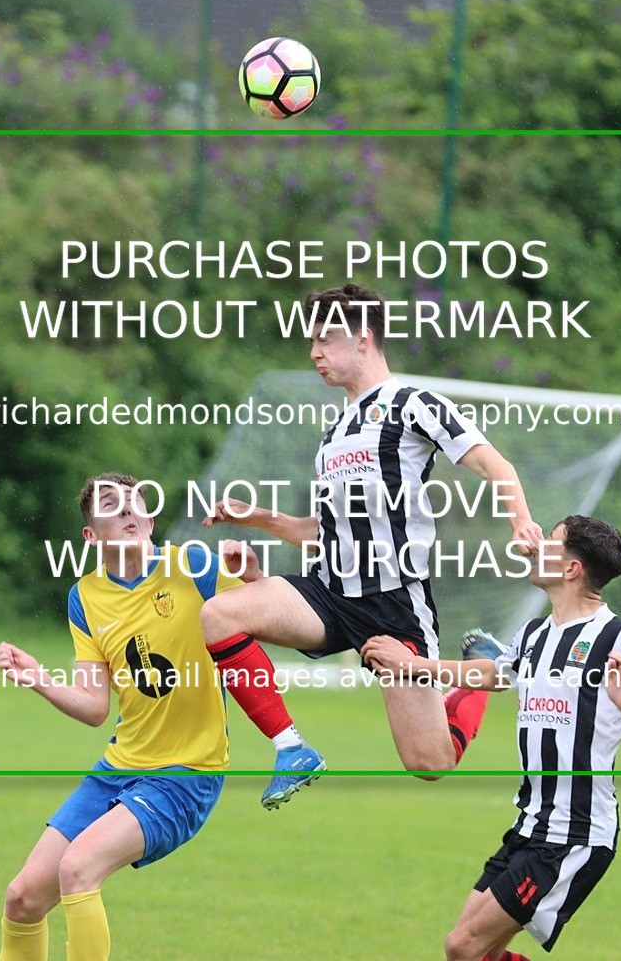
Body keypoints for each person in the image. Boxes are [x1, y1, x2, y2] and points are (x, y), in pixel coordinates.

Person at [201, 284, 545, 776]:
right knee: (219, 615)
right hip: (327, 593)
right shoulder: (332, 437)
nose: (314, 352)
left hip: (392, 605)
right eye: (311, 341)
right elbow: (324, 533)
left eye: (326, 338)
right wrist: (257, 517)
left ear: (363, 338)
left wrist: (520, 520)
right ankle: (292, 749)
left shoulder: (412, 403)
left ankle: (475, 674)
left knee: (429, 763)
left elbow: (496, 465)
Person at [0, 473, 321, 961]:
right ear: (91, 536)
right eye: (111, 505)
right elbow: (94, 707)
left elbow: (277, 614)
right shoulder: (84, 598)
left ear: (148, 520)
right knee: (22, 899)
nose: (126, 509)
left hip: (186, 776)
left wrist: (252, 576)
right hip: (119, 769)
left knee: (78, 869)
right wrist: (39, 677)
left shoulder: (192, 565)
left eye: (134, 502)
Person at [360, 514, 621, 961]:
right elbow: (491, 673)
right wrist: (413, 664)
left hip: (575, 834)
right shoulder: (535, 634)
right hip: (531, 824)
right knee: (479, 951)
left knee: (462, 947)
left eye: (551, 544)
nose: (537, 550)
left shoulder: (620, 638)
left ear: (572, 569)